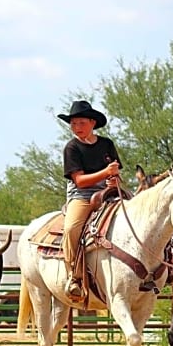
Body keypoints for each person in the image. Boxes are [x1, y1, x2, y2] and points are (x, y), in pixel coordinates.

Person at [58, 100, 122, 301]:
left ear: (92, 123)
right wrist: (106, 173)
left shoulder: (107, 144)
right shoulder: (72, 148)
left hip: (108, 193)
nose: (77, 128)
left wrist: (113, 180)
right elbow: (79, 181)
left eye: (81, 123)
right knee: (71, 229)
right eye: (73, 124)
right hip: (82, 196)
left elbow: (115, 172)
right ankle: (74, 276)